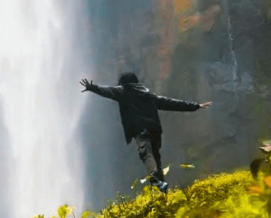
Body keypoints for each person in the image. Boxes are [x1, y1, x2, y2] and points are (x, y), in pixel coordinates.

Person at [81, 72, 211, 192]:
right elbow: (171, 103)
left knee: (146, 153)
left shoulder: (123, 90)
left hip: (140, 129)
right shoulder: (149, 95)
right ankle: (162, 189)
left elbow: (107, 91)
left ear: (123, 83)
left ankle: (155, 178)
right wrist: (195, 106)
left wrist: (92, 87)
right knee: (156, 157)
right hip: (155, 130)